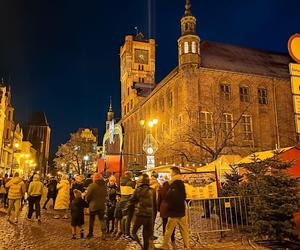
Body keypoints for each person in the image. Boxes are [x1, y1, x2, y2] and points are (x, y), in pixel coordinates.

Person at [163, 167, 189, 250]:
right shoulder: (181, 183)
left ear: (174, 173)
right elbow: (184, 196)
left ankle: (165, 246)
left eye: (170, 172)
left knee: (168, 230)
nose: (169, 174)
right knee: (184, 230)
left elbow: (169, 196)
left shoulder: (174, 183)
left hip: (174, 212)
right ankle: (187, 246)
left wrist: (167, 199)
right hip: (181, 210)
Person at [129, 174, 155, 250]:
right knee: (146, 235)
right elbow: (154, 204)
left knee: (133, 232)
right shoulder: (152, 191)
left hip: (140, 215)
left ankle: (141, 246)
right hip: (149, 216)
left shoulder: (138, 190)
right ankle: (145, 248)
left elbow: (132, 200)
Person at [86, 172, 107, 240]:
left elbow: (88, 196)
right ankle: (104, 234)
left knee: (92, 220)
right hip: (101, 205)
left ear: (94, 178)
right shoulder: (104, 186)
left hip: (93, 206)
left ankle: (90, 233)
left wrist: (88, 201)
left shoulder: (92, 185)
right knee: (102, 220)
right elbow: (106, 195)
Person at [157, 179, 175, 244]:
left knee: (165, 222)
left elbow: (159, 200)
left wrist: (158, 208)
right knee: (172, 223)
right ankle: (172, 237)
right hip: (171, 207)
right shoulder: (172, 190)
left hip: (163, 207)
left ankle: (165, 235)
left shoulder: (161, 190)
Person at [120, 171, 136, 238]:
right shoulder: (131, 183)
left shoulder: (121, 182)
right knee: (128, 218)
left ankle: (123, 232)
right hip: (128, 202)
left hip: (122, 201)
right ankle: (127, 233)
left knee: (124, 217)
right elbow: (133, 194)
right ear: (130, 176)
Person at [150, 171, 160, 239]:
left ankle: (146, 233)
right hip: (153, 205)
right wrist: (158, 206)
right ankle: (151, 234)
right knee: (152, 219)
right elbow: (157, 197)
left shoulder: (147, 183)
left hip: (146, 204)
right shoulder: (157, 184)